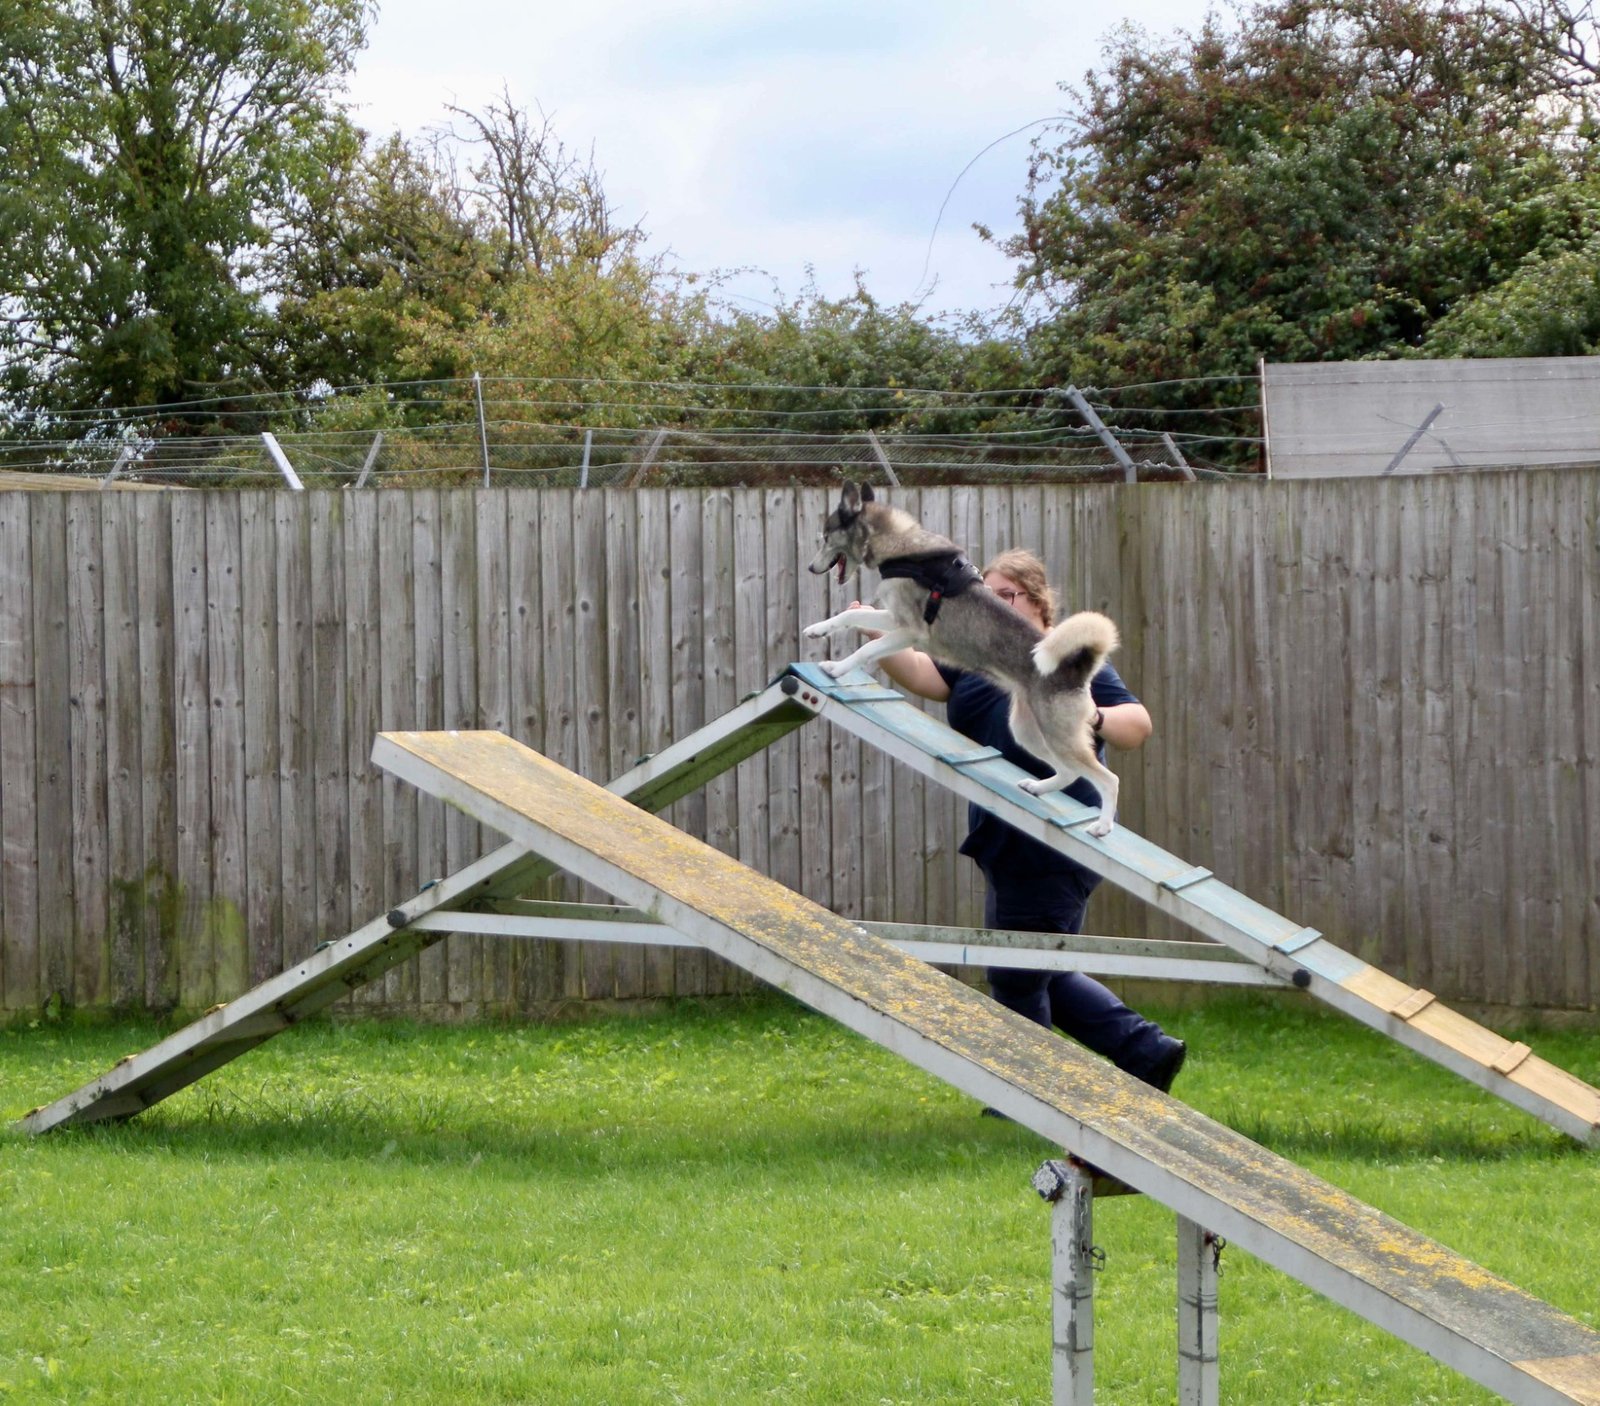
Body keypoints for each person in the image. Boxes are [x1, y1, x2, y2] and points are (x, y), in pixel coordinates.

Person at [867, 548, 1187, 1096]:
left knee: (1016, 971)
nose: (994, 606)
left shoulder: (1060, 660)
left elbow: (1137, 724)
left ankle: (1032, 1095)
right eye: (987, 596)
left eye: (1006, 596)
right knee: (1040, 965)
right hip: (1002, 834)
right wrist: (877, 637)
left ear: (1038, 605)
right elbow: (924, 674)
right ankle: (1146, 1051)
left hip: (1057, 833)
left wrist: (1094, 716)